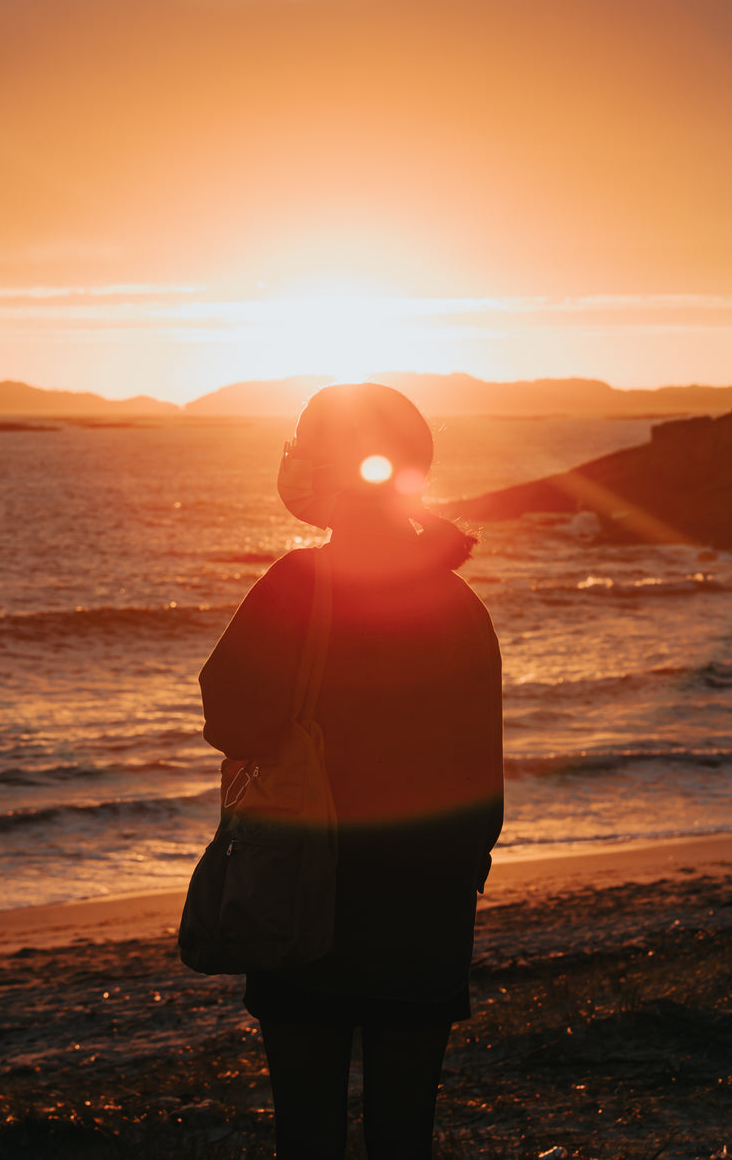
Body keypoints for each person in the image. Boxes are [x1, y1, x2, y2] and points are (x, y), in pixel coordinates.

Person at [199, 382, 504, 1159]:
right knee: (405, 1133)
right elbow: (484, 782)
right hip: (427, 906)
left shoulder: (298, 586)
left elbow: (229, 717)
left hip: (307, 891)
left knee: (309, 1129)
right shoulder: (460, 602)